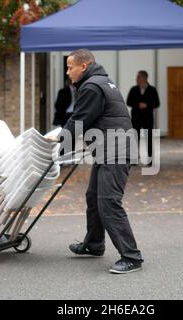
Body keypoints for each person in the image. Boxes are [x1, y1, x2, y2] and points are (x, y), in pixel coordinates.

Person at [50, 49, 144, 274]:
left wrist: (57, 144)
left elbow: (79, 120)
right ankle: (94, 244)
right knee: (93, 197)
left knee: (108, 202)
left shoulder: (92, 86)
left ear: (83, 66)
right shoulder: (102, 81)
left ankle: (132, 257)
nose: (68, 72)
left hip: (116, 151)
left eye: (70, 67)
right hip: (108, 149)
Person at [126, 70, 160, 165]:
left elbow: (157, 103)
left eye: (138, 77)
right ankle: (134, 159)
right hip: (136, 118)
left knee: (149, 139)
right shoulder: (134, 89)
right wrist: (137, 104)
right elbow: (128, 101)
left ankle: (150, 160)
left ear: (144, 78)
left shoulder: (152, 90)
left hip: (147, 118)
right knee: (135, 139)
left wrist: (147, 105)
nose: (137, 79)